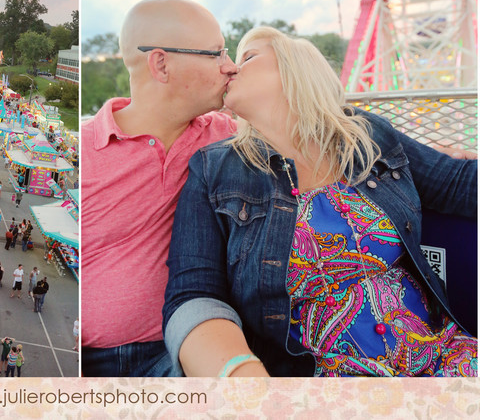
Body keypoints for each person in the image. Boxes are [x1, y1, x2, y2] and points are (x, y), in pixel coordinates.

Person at [163, 26, 478, 377]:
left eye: (247, 57)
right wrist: (241, 377)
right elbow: (194, 293)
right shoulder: (215, 168)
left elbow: (459, 184)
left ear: (294, 67)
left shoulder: (367, 135)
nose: (232, 69)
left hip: (440, 354)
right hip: (324, 380)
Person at [81, 0, 239, 377]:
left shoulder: (226, 133)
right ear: (162, 64)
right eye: (216, 53)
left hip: (186, 347)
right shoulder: (85, 148)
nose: (229, 67)